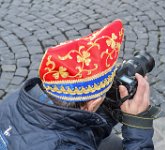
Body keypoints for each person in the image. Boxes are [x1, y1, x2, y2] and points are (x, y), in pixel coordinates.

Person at [0, 19, 155, 150]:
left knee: (112, 143)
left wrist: (109, 108)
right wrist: (137, 125)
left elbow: (71, 126)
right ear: (92, 103)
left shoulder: (15, 100)